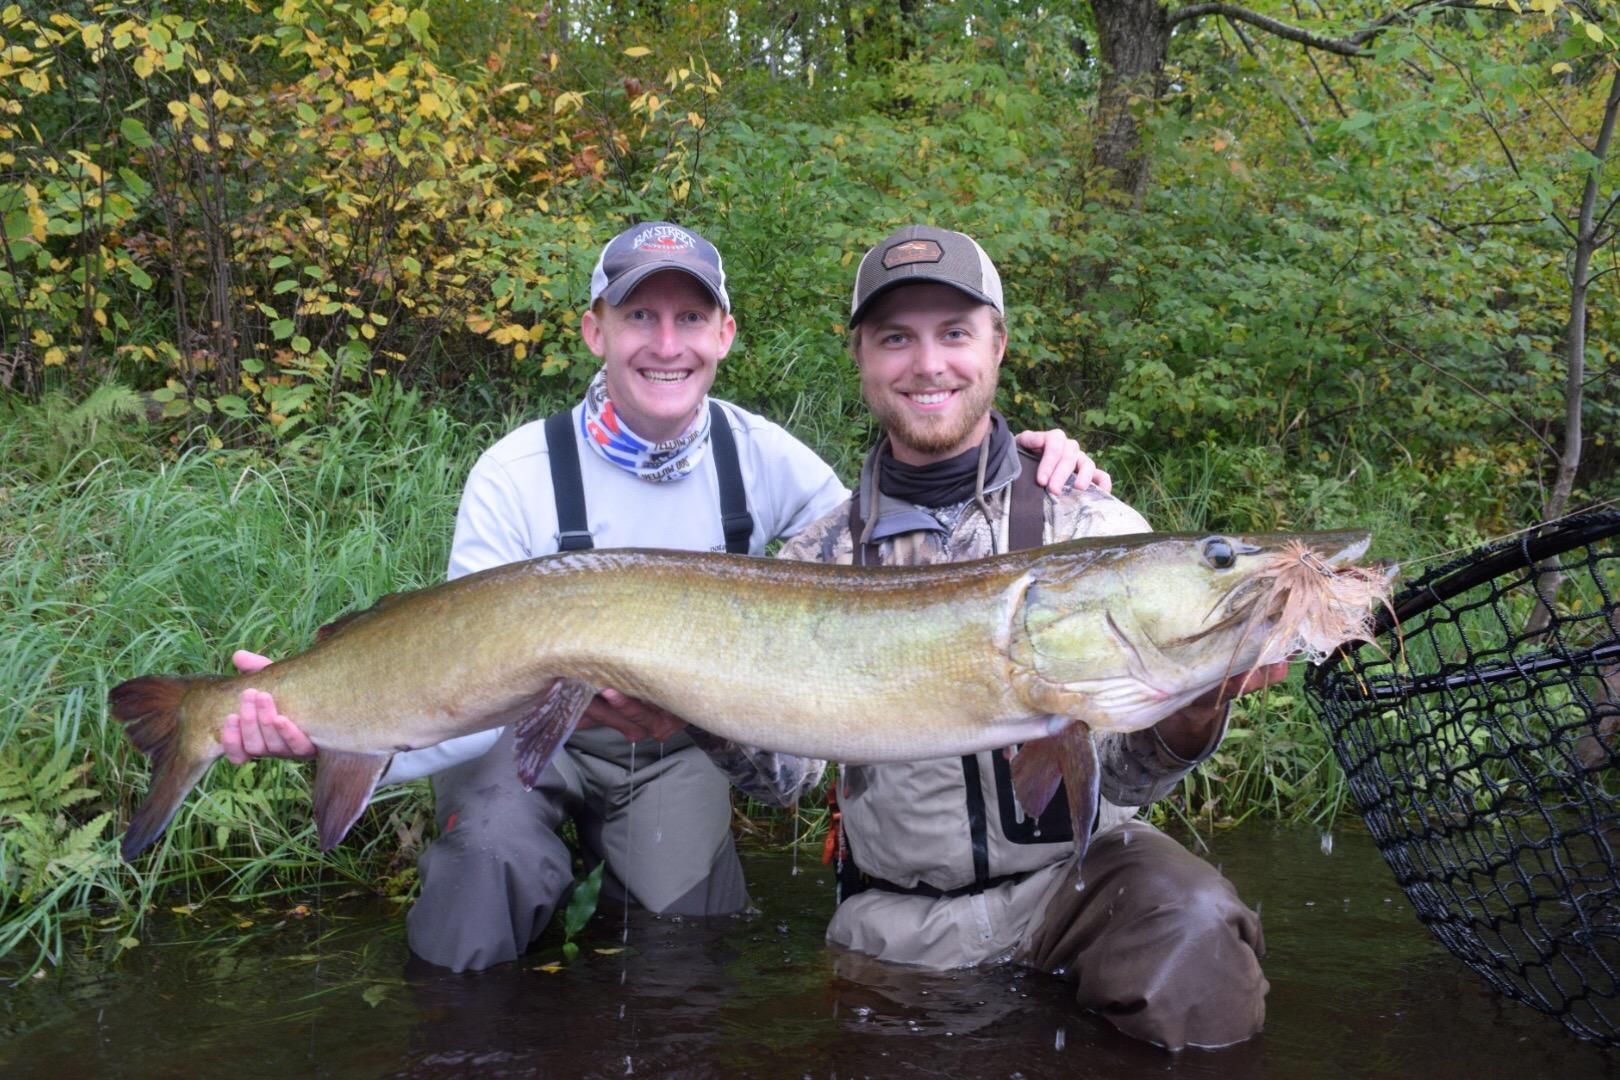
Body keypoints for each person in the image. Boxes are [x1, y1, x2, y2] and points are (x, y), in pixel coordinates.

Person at [220, 220, 1102, 973]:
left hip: (673, 744)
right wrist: (334, 731)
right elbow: (455, 681)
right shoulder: (516, 473)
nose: (667, 344)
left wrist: (1025, 462)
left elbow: (883, 572)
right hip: (519, 733)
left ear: (724, 334)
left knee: (690, 945)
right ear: (595, 331)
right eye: (640, 316)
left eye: (690, 318)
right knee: (485, 865)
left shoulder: (767, 458)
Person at [775, 224, 1283, 1051]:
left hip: (1076, 893)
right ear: (861, 355)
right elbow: (782, 777)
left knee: (1194, 930)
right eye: (896, 338)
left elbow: (1129, 776)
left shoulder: (1092, 524)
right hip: (895, 919)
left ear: (998, 346)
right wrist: (681, 706)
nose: (928, 364)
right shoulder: (815, 559)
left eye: (955, 333)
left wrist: (1195, 712)